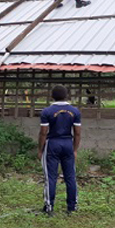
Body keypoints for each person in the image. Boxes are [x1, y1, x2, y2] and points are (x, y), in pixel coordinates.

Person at [37, 85, 82, 216]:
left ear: (52, 96)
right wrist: (74, 149)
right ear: (66, 95)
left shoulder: (47, 111)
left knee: (50, 177)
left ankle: (49, 207)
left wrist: (40, 149)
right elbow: (78, 133)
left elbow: (43, 133)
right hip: (68, 142)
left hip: (53, 143)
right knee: (70, 177)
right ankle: (72, 207)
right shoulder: (75, 111)